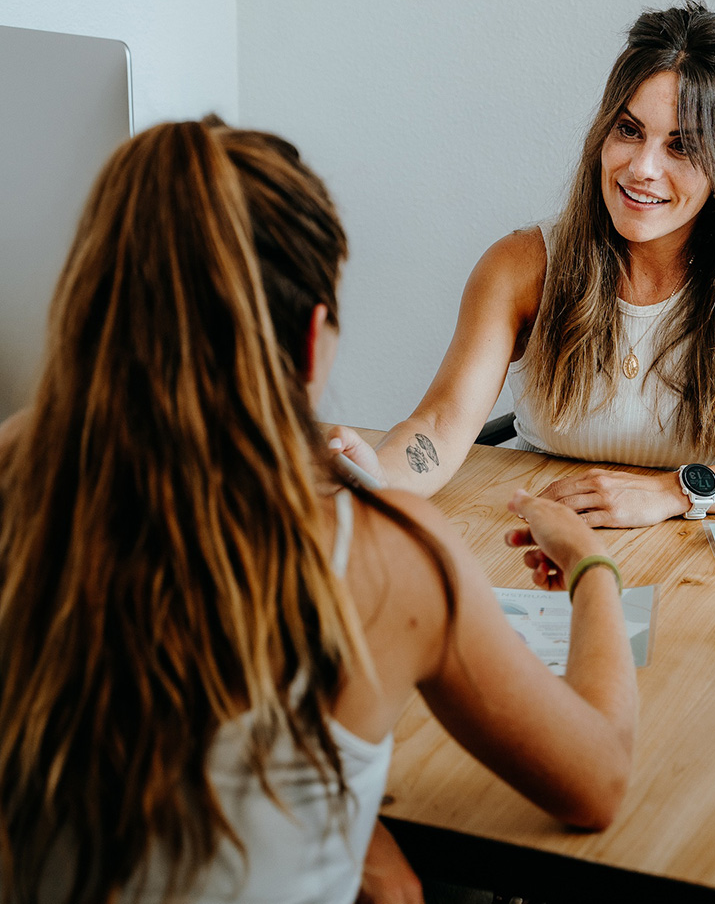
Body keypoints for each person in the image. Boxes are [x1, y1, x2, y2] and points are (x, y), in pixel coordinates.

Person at [0, 120, 636, 904]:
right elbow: (597, 780)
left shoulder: (17, 477)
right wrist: (589, 565)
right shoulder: (390, 558)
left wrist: (358, 830)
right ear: (310, 341)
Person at [334, 2, 715, 525]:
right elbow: (439, 425)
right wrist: (372, 473)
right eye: (629, 130)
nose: (642, 168)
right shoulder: (520, 265)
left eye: (682, 147)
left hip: (703, 544)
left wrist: (672, 492)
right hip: (543, 532)